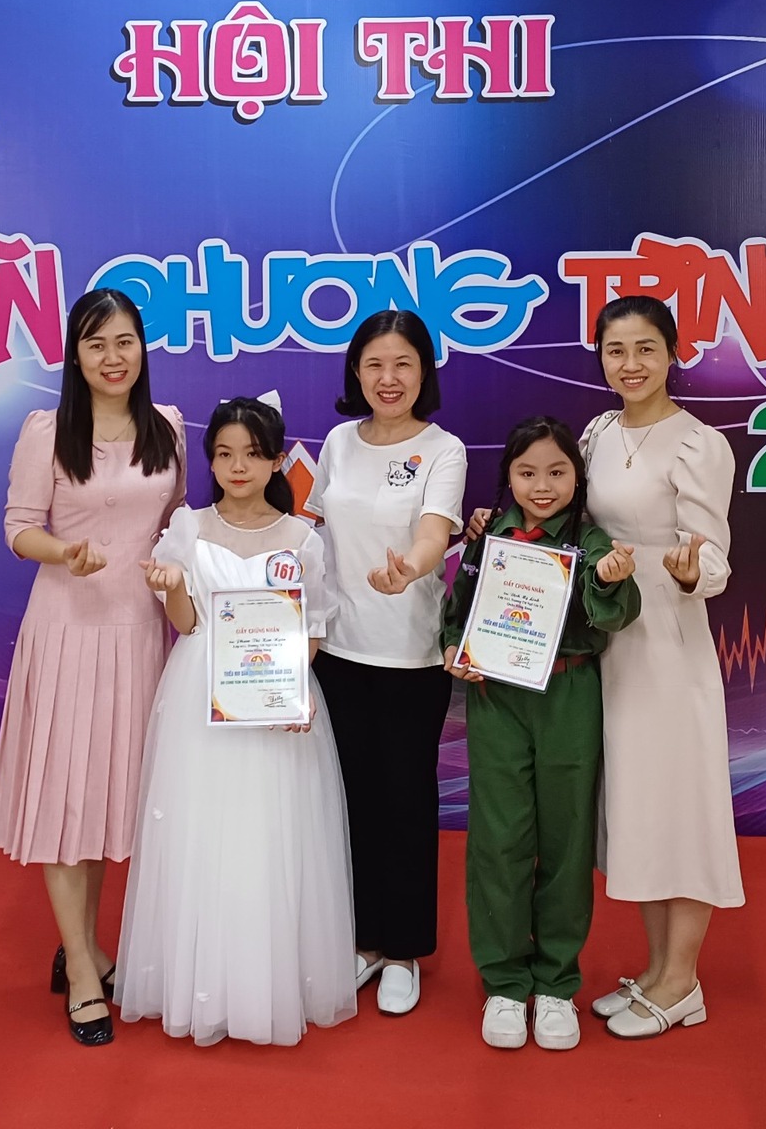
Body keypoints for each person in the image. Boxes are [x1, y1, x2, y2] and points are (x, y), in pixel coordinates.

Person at [116, 396, 358, 1047]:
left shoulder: (303, 538)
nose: (238, 466)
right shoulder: (188, 528)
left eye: (252, 453)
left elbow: (312, 628)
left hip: (276, 702)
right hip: (200, 694)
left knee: (270, 830)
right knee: (202, 830)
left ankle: (267, 984)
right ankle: (202, 983)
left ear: (277, 460)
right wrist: (171, 585)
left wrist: (288, 690)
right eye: (224, 454)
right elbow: (187, 623)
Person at [0, 288, 185, 1047]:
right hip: (67, 630)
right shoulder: (47, 430)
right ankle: (82, 971)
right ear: (75, 354)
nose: (112, 357)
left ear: (142, 348)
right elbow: (17, 528)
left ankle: (88, 948)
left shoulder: (167, 427)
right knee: (67, 799)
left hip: (139, 635)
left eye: (124, 341)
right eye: (96, 344)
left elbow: (173, 526)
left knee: (107, 800)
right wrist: (65, 550)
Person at [440, 416, 640, 1052]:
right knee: (498, 840)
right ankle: (503, 983)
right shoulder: (488, 537)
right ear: (508, 476)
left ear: (577, 476)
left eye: (557, 471)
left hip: (568, 697)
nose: (542, 486)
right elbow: (457, 612)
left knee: (566, 840)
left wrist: (610, 578)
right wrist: (454, 649)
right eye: (527, 473)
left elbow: (613, 610)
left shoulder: (591, 539)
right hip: (497, 698)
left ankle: (555, 984)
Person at [582, 294, 743, 1039]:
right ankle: (654, 972)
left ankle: (683, 981)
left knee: (682, 806)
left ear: (673, 354)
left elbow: (712, 556)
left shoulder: (698, 444)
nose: (631, 364)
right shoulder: (596, 433)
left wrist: (688, 572)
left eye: (646, 348)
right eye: (616, 351)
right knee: (638, 808)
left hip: (668, 643)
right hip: (609, 637)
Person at [308, 309, 468, 1016]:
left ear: (424, 370)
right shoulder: (339, 442)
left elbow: (435, 533)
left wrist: (410, 569)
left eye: (403, 363)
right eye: (374, 364)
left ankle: (402, 950)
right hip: (336, 650)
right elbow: (313, 532)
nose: (388, 377)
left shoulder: (443, 449)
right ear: (356, 372)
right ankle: (362, 939)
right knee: (348, 801)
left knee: (405, 803)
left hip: (409, 655)